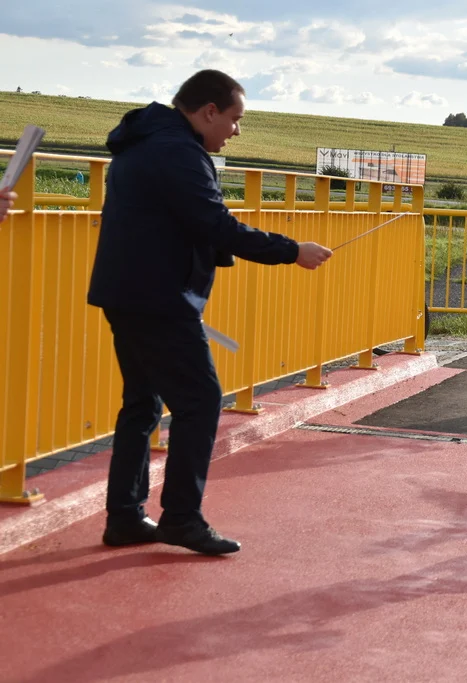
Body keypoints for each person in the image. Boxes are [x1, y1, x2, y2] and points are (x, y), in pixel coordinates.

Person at [88, 70, 334, 555]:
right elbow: (216, 224)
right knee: (200, 400)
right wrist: (292, 251)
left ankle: (125, 517)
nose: (236, 131)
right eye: (235, 119)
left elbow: (184, 222)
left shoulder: (144, 140)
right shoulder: (178, 152)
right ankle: (181, 518)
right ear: (208, 112)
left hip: (127, 291)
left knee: (142, 404)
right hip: (160, 299)